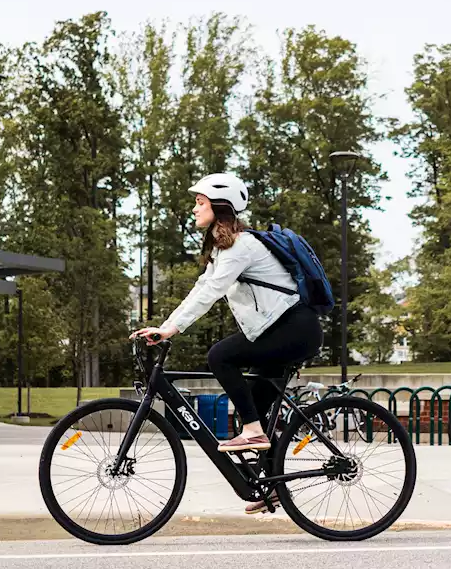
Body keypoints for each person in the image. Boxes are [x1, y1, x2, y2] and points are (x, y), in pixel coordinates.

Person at [132, 173, 323, 512]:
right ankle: (272, 487)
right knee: (252, 413)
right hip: (279, 331)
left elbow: (210, 293)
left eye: (200, 202)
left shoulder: (242, 246)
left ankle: (255, 433)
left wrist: (170, 330)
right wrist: (165, 326)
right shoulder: (226, 249)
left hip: (295, 329)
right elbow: (201, 288)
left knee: (220, 356)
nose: (194, 208)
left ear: (220, 207)